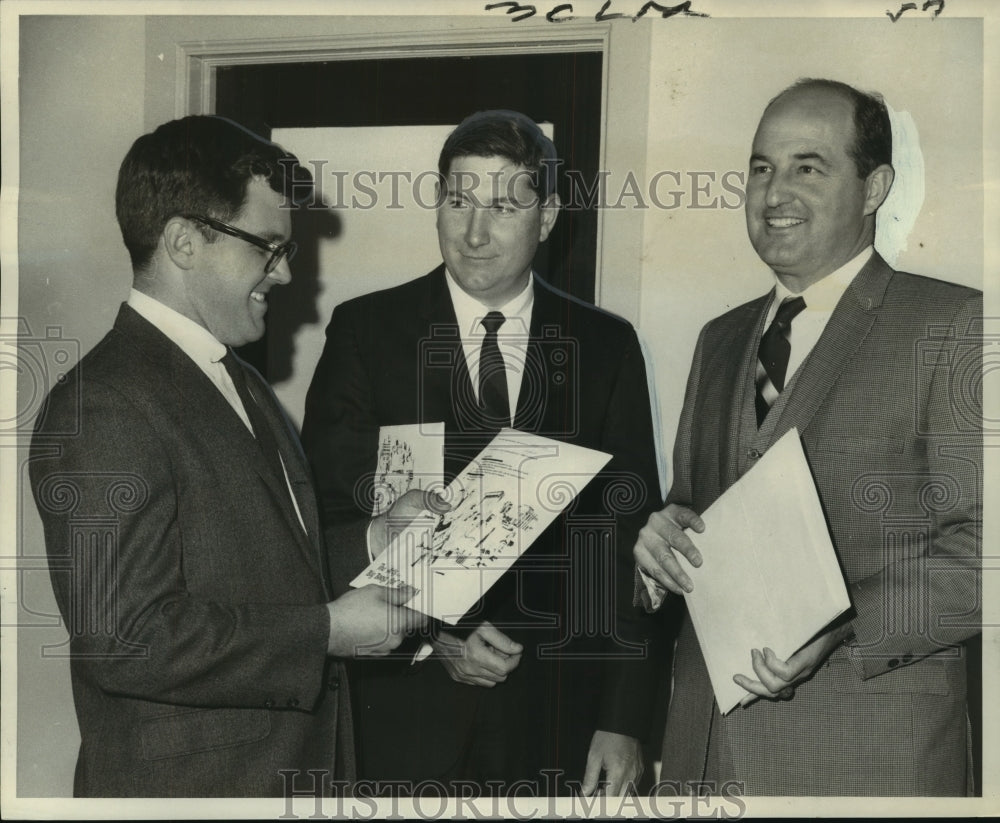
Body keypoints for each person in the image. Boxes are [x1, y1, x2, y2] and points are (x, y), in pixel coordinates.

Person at [28, 115, 428, 797]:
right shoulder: (101, 404)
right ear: (185, 240)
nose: (286, 273)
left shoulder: (239, 379)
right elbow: (125, 638)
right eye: (268, 248)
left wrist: (372, 537)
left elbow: (263, 564)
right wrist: (327, 630)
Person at [634, 78, 982, 796]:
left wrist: (843, 622)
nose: (773, 193)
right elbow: (690, 512)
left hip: (870, 761)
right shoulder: (720, 339)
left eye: (807, 166)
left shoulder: (954, 325)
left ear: (874, 185)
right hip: (706, 759)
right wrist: (655, 556)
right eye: (761, 167)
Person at [301, 110, 662, 796]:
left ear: (548, 216)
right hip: (405, 720)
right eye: (458, 200)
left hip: (560, 719)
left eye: (502, 205)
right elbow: (322, 525)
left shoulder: (605, 347)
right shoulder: (366, 332)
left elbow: (630, 544)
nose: (473, 231)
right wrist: (436, 637)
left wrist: (625, 719)